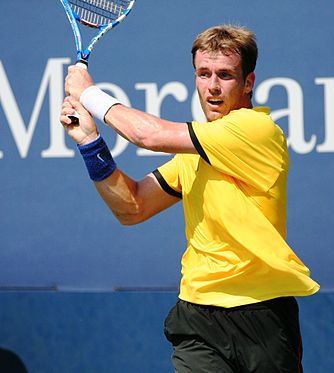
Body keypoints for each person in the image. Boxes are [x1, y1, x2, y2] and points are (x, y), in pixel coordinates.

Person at [60, 25, 320, 373]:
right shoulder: (195, 153)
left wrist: (89, 93)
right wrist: (90, 143)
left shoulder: (257, 132)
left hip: (264, 315)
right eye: (203, 74)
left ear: (248, 82)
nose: (212, 86)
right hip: (198, 317)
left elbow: (148, 135)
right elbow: (132, 207)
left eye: (225, 75)